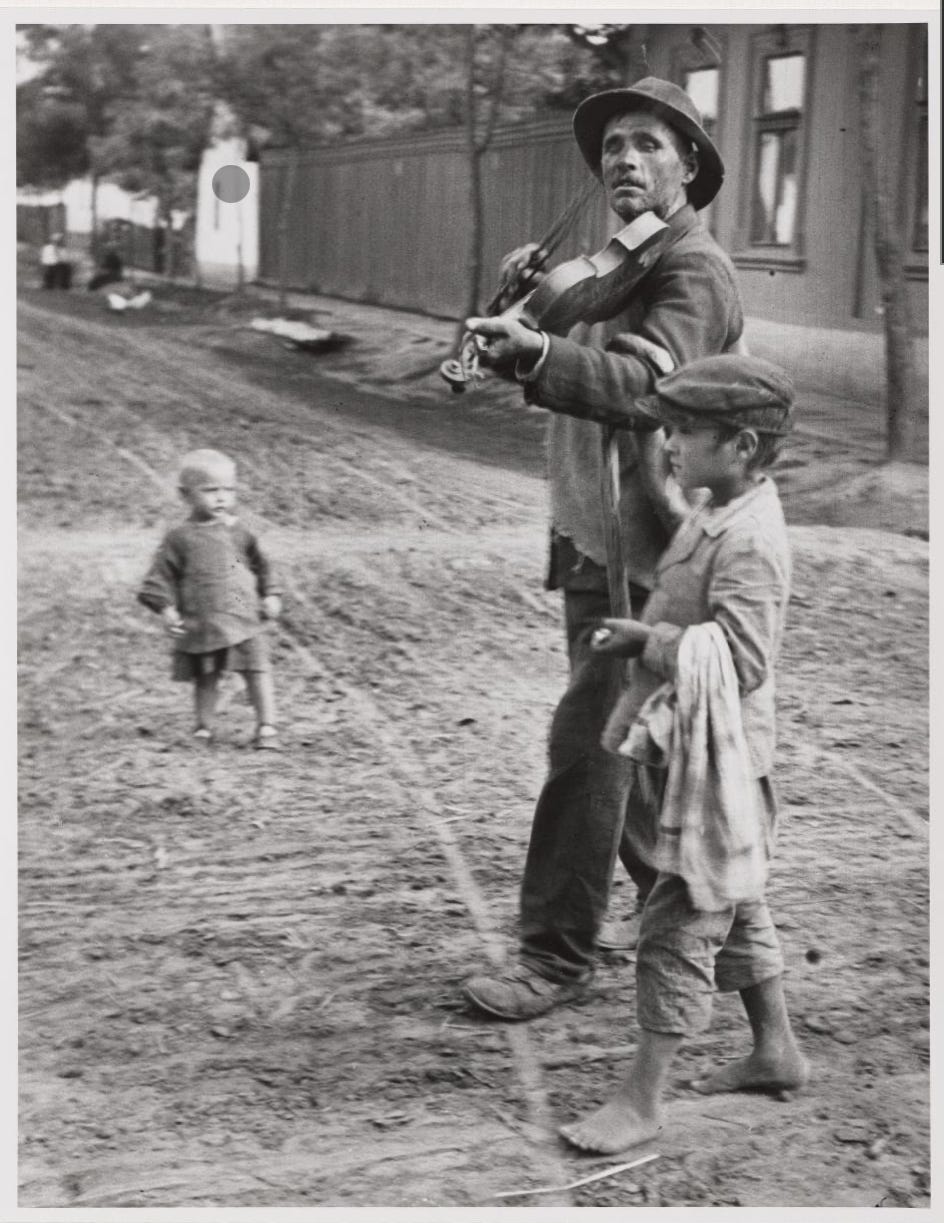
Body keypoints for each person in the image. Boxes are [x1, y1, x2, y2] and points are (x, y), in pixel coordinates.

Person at [462, 78, 745, 1020]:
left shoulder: (692, 270)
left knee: (590, 745)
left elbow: (641, 388)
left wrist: (539, 352)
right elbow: (568, 349)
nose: (624, 159)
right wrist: (526, 308)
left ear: (689, 165)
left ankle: (553, 956)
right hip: (596, 537)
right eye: (613, 145)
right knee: (637, 762)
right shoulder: (614, 264)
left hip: (653, 554)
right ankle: (719, 946)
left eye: (648, 145)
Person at [556, 352, 808, 1154]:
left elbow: (744, 660)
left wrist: (652, 640)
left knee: (679, 919)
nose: (670, 442)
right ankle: (776, 1049)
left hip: (726, 759)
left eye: (687, 431)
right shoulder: (718, 506)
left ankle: (642, 1098)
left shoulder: (752, 541)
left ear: (742, 446)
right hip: (694, 742)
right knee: (735, 897)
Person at [138, 449, 283, 748]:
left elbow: (262, 566)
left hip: (244, 616)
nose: (221, 498)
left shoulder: (240, 533)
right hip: (204, 619)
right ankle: (204, 727)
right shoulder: (180, 538)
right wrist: (166, 609)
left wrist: (270, 594)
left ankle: (267, 727)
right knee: (207, 675)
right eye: (210, 490)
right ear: (185, 494)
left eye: (228, 490)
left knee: (257, 669)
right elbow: (160, 576)